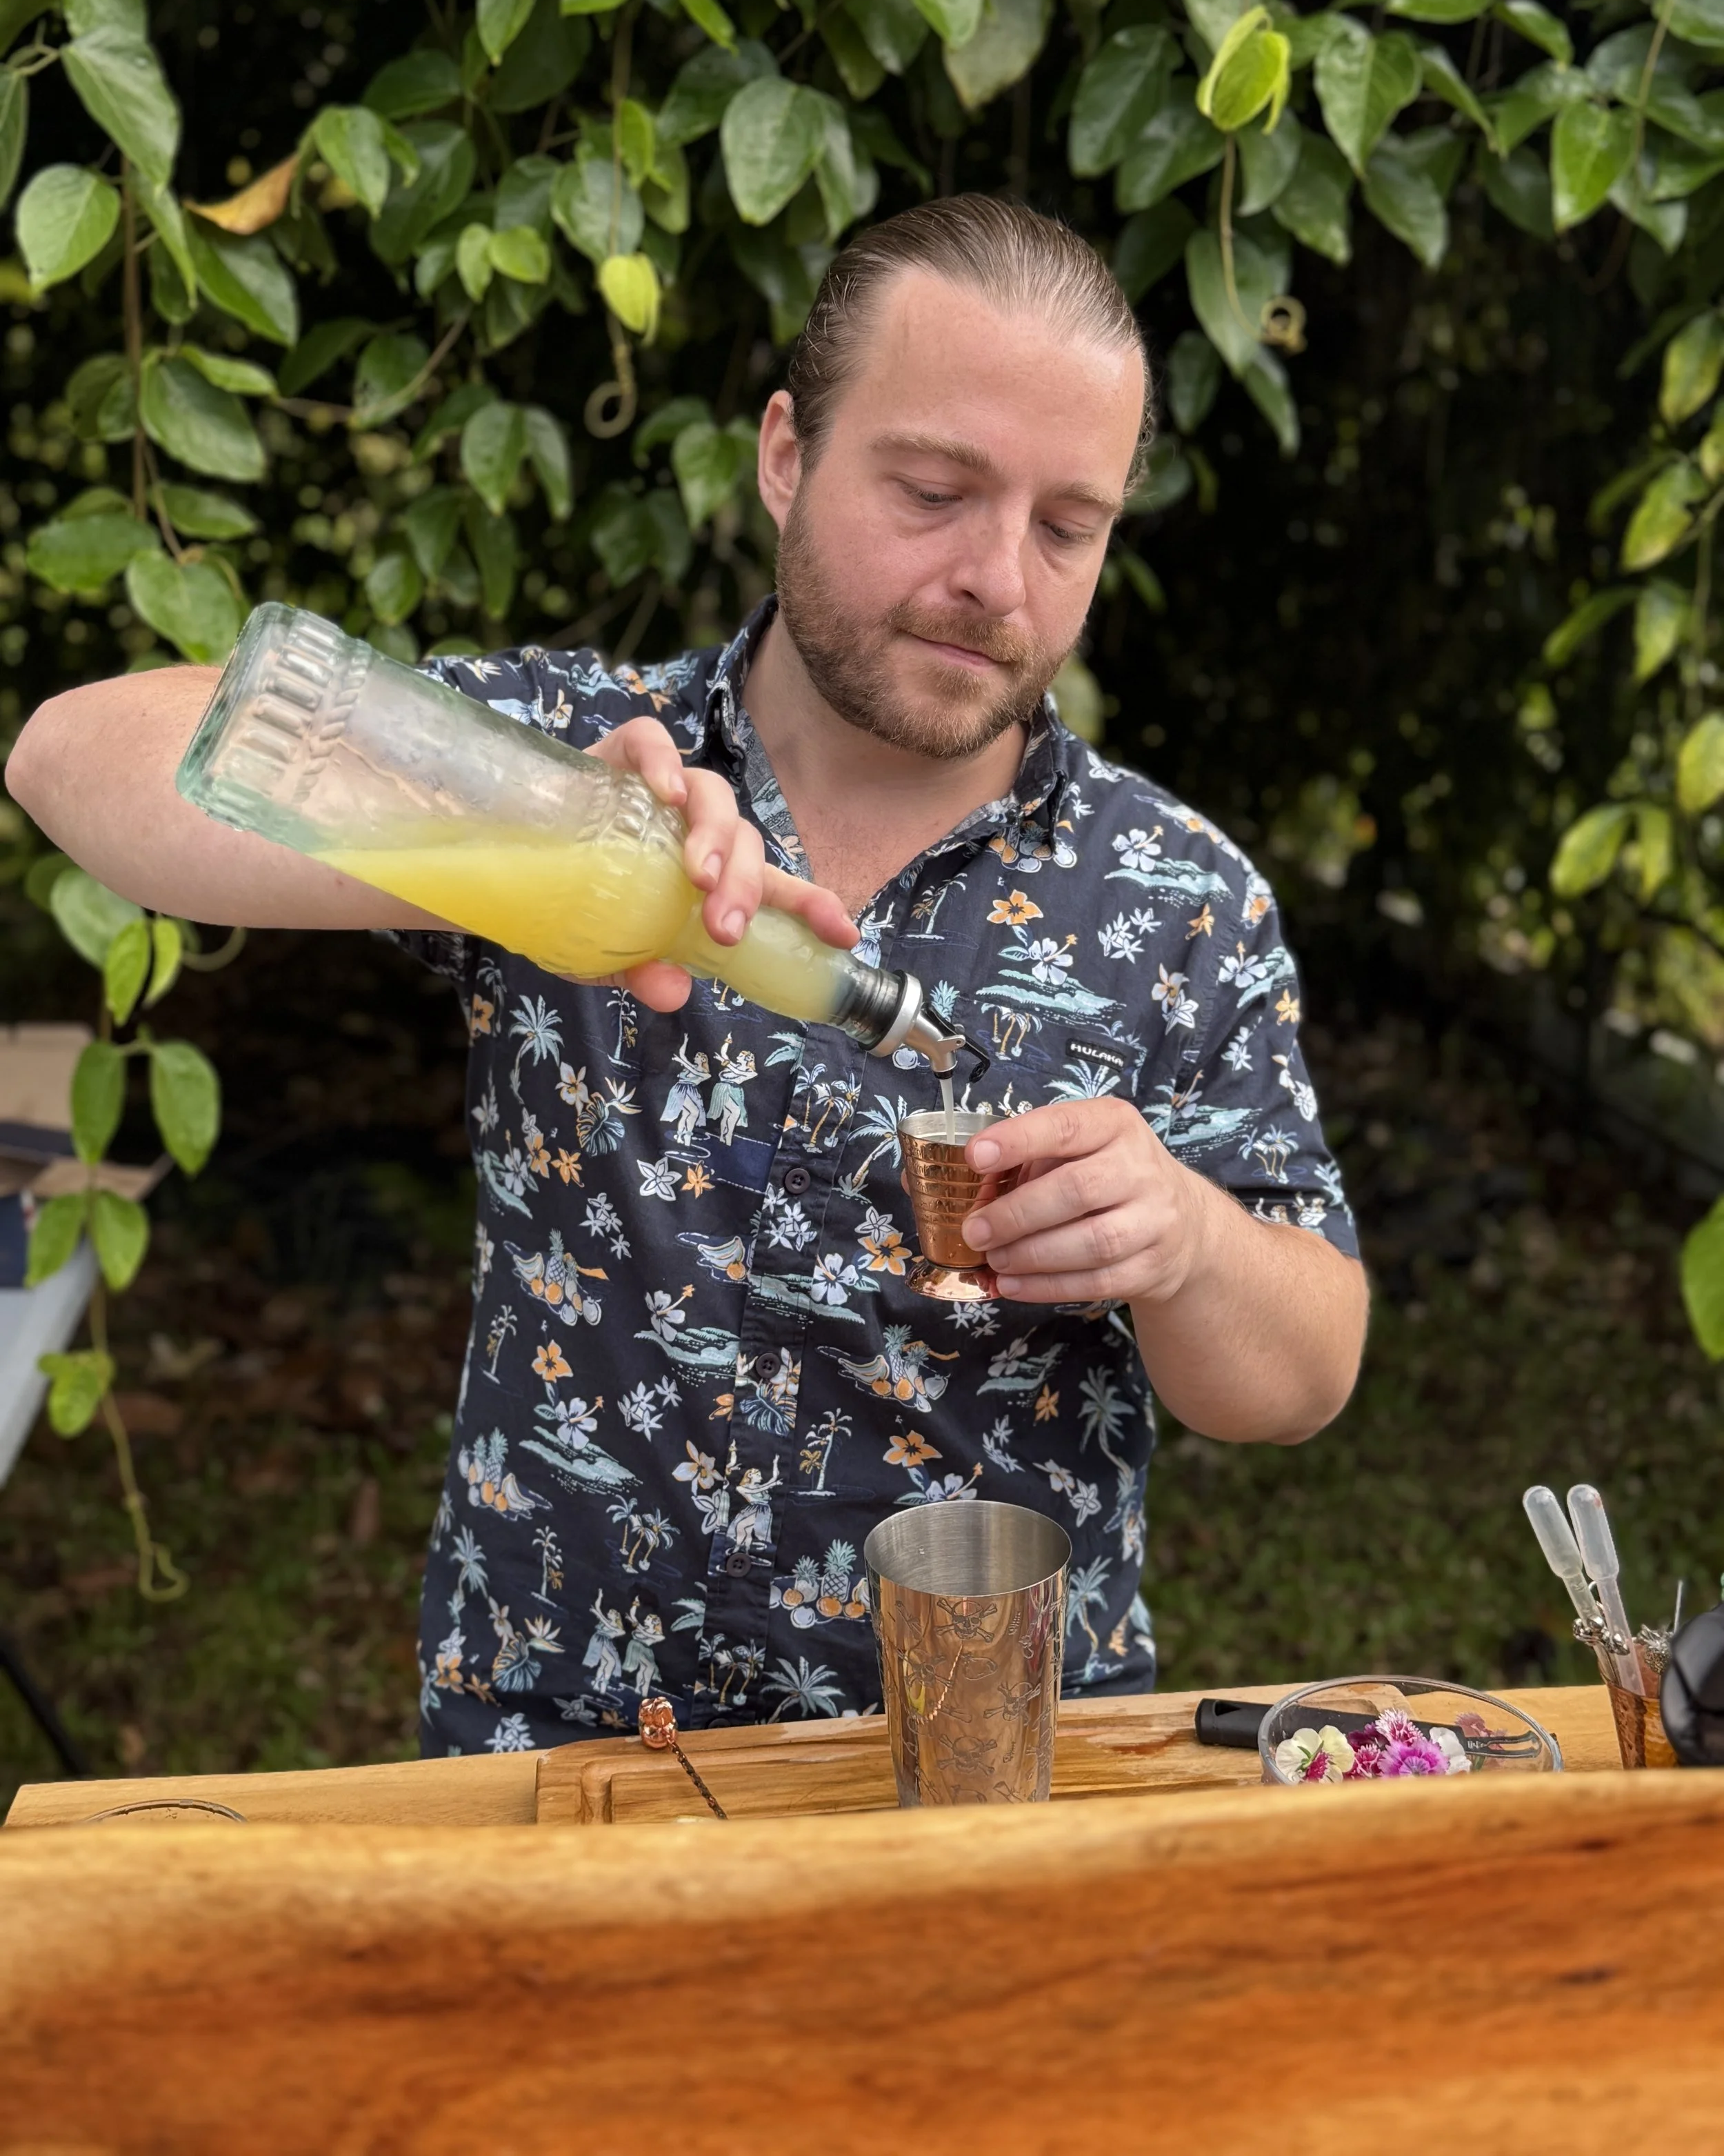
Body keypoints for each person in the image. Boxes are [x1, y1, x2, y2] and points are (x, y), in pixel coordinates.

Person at [7, 196, 1369, 1754]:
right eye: (931, 490)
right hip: (553, 1738)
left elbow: (1306, 1366)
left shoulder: (1178, 896)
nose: (998, 576)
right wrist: (500, 826)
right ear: (783, 453)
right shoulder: (574, 754)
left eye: (1067, 525)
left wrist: (1183, 1241)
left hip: (974, 1769)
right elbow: (69, 760)